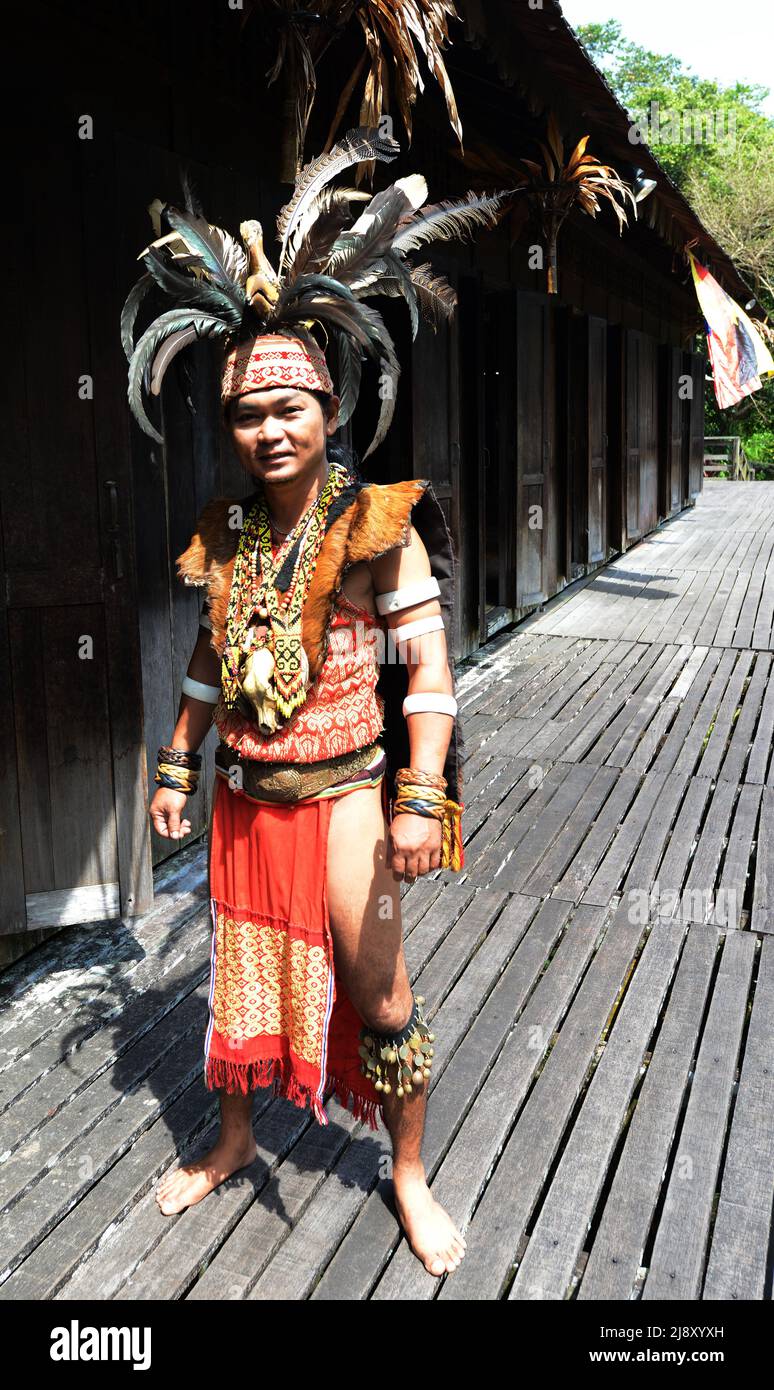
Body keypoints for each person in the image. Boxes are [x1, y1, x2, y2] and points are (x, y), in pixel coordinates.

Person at [122, 126, 511, 1277]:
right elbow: (207, 660)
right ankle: (237, 1139)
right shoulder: (226, 534)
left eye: (290, 405)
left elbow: (429, 674)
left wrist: (419, 795)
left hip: (347, 798)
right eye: (249, 412)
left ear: (328, 407)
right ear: (231, 426)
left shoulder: (374, 522)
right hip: (246, 797)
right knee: (237, 984)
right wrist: (178, 763)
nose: (270, 428)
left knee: (382, 994)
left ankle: (404, 1172)